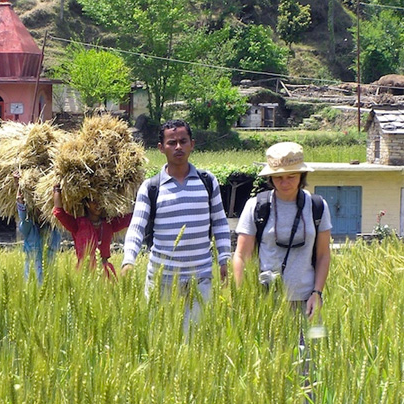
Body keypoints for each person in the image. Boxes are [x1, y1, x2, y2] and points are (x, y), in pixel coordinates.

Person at [121, 119, 231, 328]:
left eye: (183, 141)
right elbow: (137, 226)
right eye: (172, 143)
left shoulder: (208, 181)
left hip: (200, 279)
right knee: (159, 339)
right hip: (161, 282)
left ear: (192, 144)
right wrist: (128, 260)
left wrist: (224, 258)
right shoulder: (150, 187)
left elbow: (220, 222)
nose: (178, 147)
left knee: (196, 341)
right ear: (161, 148)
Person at [232, 141, 332, 321]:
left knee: (306, 349)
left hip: (306, 299)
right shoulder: (256, 206)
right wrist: (242, 297)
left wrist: (317, 293)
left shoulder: (317, 206)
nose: (285, 182)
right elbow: (241, 255)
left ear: (302, 175)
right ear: (270, 178)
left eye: (291, 176)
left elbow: (323, 254)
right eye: (278, 177)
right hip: (264, 300)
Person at [53, 185, 132, 277]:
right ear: (86, 204)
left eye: (100, 201)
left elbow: (131, 218)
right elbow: (59, 212)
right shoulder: (77, 224)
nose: (97, 204)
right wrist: (57, 190)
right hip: (84, 273)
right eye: (93, 201)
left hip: (105, 274)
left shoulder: (109, 223)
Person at [15, 173, 60, 284]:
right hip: (32, 279)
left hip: (49, 280)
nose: (41, 212)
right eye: (38, 208)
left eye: (44, 208)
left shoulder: (55, 230)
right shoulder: (29, 228)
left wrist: (57, 190)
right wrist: (18, 187)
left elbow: (61, 212)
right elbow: (23, 215)